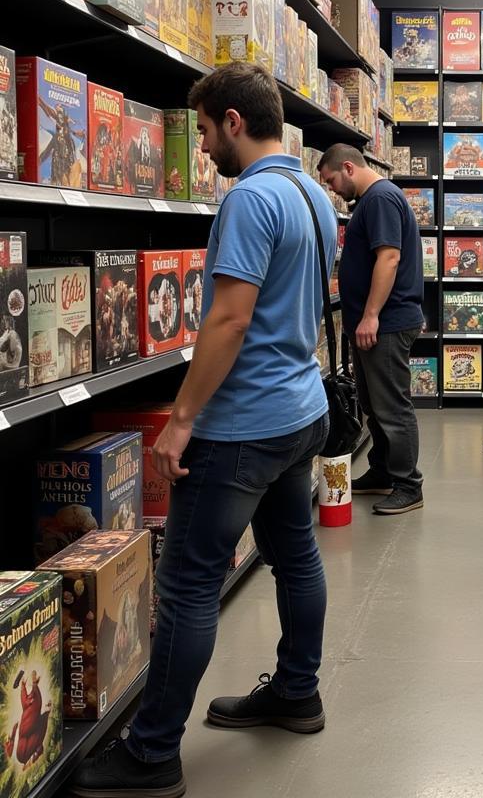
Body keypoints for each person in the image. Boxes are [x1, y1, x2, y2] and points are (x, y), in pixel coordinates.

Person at [71, 62, 336, 798]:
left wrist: (181, 421)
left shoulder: (251, 200)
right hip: (300, 411)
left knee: (187, 584)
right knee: (296, 556)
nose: (206, 151)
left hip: (243, 424)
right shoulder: (314, 193)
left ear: (234, 122)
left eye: (208, 132)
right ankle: (296, 692)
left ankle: (152, 754)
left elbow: (229, 317)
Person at [318, 144, 424, 513]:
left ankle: (409, 485)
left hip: (388, 323)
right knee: (372, 404)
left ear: (348, 168)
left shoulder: (380, 198)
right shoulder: (370, 200)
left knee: (392, 406)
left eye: (331, 180)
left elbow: (389, 256)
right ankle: (383, 470)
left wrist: (371, 314)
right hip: (376, 323)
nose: (332, 189)